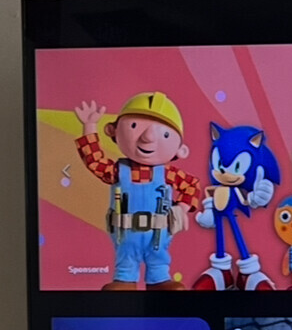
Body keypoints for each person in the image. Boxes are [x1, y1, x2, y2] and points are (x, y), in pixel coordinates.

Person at [74, 92, 199, 290]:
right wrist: (89, 127)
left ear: (180, 150)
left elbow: (191, 185)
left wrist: (181, 208)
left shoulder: (167, 174)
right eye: (134, 125)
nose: (148, 137)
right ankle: (124, 280)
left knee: (158, 260)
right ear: (113, 131)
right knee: (126, 261)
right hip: (125, 233)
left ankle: (159, 280)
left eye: (165, 134)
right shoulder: (119, 171)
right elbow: (95, 162)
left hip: (158, 234)